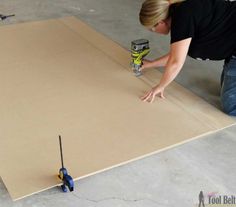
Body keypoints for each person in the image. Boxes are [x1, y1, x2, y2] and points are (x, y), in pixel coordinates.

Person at [139, 0, 236, 115]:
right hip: (232, 43)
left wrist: (160, 86)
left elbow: (176, 61)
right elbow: (178, 54)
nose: (153, 32)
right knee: (226, 89)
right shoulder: (181, 13)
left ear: (160, 22)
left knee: (231, 106)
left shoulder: (182, 19)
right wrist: (151, 64)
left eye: (152, 29)